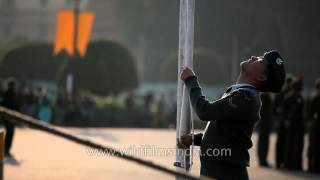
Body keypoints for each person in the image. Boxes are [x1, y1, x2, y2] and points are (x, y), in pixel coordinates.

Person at [178, 50, 285, 180]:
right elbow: (228, 135)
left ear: (261, 77)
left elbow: (205, 111)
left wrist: (191, 80)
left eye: (260, 61)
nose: (253, 57)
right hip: (221, 170)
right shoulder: (243, 94)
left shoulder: (245, 97)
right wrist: (196, 139)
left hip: (225, 172)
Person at [283, 78, 304, 171]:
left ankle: (291, 164)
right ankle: (293, 164)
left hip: (293, 123)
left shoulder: (290, 97)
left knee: (293, 144)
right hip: (295, 123)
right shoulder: (296, 98)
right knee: (294, 144)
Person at [274, 76, 293, 169]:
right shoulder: (284, 94)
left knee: (283, 143)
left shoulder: (282, 93)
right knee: (282, 143)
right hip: (282, 121)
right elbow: (276, 108)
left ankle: (282, 162)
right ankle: (280, 162)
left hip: (283, 121)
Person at [1, 78, 20, 157]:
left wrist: (18, 114)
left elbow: (16, 105)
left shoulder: (14, 94)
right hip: (7, 116)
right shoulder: (5, 94)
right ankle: (4, 150)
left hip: (13, 117)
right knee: (9, 132)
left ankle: (7, 150)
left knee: (11, 133)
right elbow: (2, 104)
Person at [256, 92, 273, 167]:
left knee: (263, 141)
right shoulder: (264, 95)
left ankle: (263, 159)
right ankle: (262, 160)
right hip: (264, 122)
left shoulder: (264, 95)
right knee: (263, 142)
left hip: (264, 122)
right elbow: (262, 110)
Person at [308, 78, 320, 174]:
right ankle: (316, 167)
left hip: (313, 125)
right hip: (317, 125)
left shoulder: (313, 96)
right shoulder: (316, 97)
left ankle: (311, 166)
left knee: (312, 146)